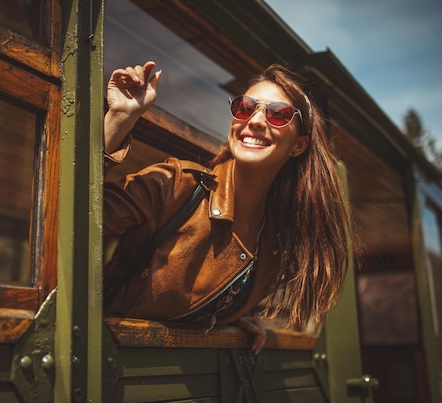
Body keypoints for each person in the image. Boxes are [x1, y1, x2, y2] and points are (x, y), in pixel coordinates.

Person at [102, 61, 352, 354]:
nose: (256, 121)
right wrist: (119, 118)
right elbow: (75, 220)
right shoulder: (175, 184)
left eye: (278, 114)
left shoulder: (277, 239)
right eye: (246, 107)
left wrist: (229, 315)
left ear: (298, 146)